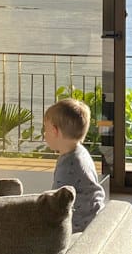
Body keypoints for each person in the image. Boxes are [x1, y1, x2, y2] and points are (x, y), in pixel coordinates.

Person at [43, 98, 105, 232]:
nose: (44, 134)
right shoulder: (80, 152)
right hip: (93, 214)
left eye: (46, 129)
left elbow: (57, 204)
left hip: (79, 225)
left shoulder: (68, 166)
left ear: (55, 131)